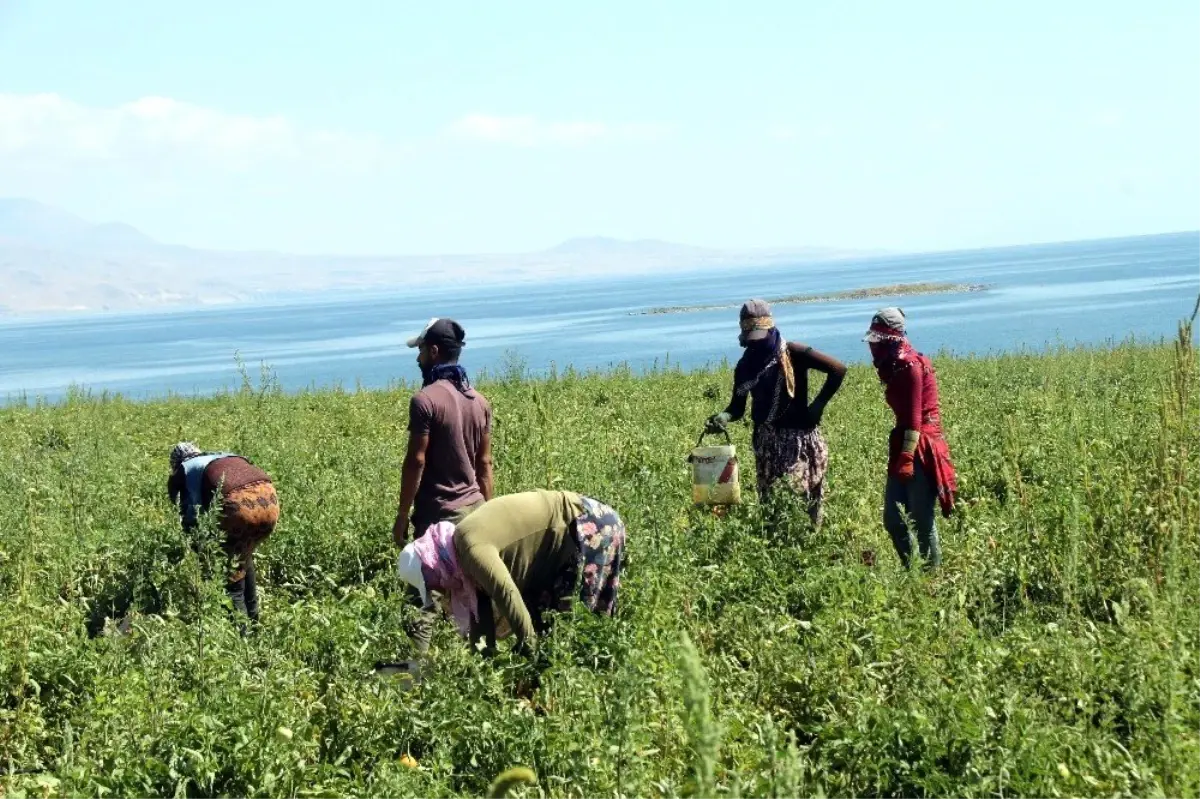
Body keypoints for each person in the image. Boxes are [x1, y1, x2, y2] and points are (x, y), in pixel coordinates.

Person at [395, 490, 625, 655]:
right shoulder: (460, 562)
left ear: (433, 563)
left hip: (588, 524)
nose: (438, 588)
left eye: (432, 582)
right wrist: (482, 661)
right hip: (557, 548)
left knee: (584, 623)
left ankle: (597, 680)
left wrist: (528, 648)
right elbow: (481, 615)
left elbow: (507, 594)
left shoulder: (470, 547)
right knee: (547, 625)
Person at [391, 317, 494, 654]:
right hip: (476, 514)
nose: (418, 358)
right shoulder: (479, 402)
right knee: (478, 596)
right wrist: (490, 515)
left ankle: (417, 678)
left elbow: (415, 462)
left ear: (434, 351)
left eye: (420, 351)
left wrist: (402, 515)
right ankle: (482, 665)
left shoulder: (425, 401)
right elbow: (484, 465)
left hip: (436, 516)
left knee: (424, 600)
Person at [706, 299, 846, 525]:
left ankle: (808, 545)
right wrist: (723, 417)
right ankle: (780, 543)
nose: (756, 344)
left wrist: (817, 406)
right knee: (774, 506)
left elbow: (838, 369)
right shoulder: (746, 366)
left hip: (800, 441)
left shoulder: (794, 353)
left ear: (770, 327)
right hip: (768, 443)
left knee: (801, 500)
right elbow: (737, 407)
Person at [863, 307, 958, 570]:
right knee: (893, 519)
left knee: (921, 518)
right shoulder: (894, 363)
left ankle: (932, 579)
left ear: (890, 339)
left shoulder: (910, 365)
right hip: (903, 441)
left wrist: (906, 457)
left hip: (920, 445)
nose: (873, 347)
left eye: (878, 340)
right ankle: (913, 571)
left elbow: (915, 418)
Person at [166, 442, 280, 623]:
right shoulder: (222, 457)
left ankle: (243, 639)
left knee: (230, 578)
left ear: (177, 463)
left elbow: (187, 517)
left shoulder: (182, 471)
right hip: (269, 499)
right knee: (242, 554)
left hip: (237, 505)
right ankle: (254, 624)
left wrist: (201, 551)